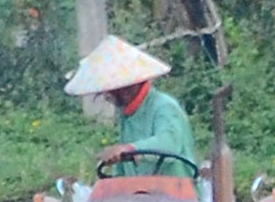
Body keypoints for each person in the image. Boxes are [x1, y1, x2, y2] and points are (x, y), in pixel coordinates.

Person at [65, 36, 198, 179]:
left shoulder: (164, 106)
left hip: (177, 189)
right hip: (143, 190)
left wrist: (128, 149)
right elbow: (124, 168)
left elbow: (169, 143)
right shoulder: (128, 117)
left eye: (113, 89)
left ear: (129, 86)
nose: (108, 95)